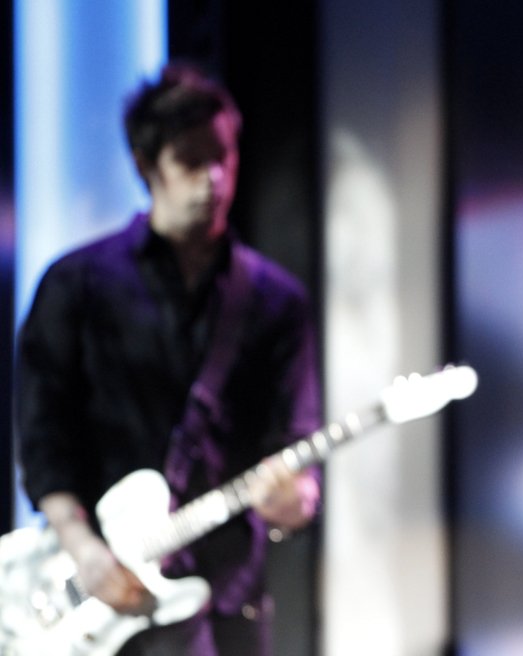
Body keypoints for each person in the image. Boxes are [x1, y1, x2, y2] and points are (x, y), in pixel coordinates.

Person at [15, 64, 322, 655]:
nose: (213, 179)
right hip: (102, 597)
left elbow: (295, 445)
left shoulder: (276, 301)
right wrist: (83, 548)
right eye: (190, 161)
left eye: (223, 157)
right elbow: (43, 440)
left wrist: (296, 500)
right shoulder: (77, 285)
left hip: (227, 596)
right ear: (145, 166)